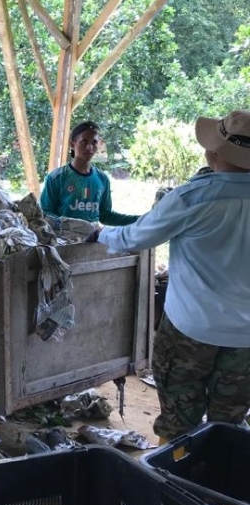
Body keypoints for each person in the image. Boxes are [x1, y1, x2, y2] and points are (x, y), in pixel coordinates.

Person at [87, 109, 250, 444]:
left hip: (191, 330)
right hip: (246, 339)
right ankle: (220, 492)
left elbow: (135, 237)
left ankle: (172, 489)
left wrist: (100, 235)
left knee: (178, 421)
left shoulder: (193, 197)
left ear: (214, 152)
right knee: (230, 425)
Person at [40, 121, 138, 225]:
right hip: (63, 239)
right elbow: (45, 213)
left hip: (92, 239)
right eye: (84, 142)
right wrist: (68, 226)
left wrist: (141, 220)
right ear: (72, 144)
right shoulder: (56, 178)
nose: (89, 147)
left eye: (94, 142)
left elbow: (105, 216)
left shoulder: (102, 179)